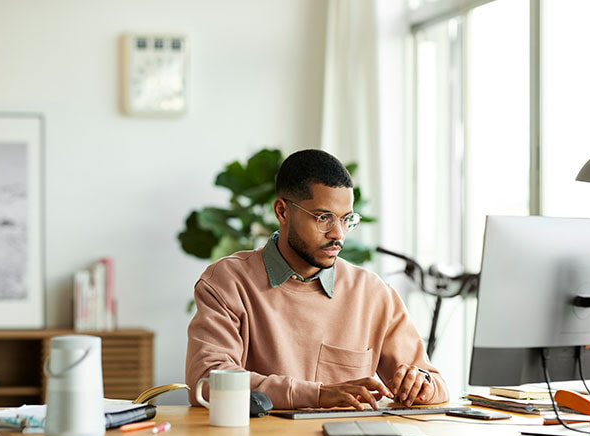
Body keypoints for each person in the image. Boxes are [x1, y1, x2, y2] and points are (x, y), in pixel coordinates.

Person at [186, 149, 448, 410]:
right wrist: (319, 395)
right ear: (282, 212)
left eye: (346, 220)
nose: (339, 235)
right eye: (324, 218)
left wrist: (420, 384)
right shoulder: (227, 282)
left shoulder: (373, 293)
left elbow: (435, 384)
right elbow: (207, 382)